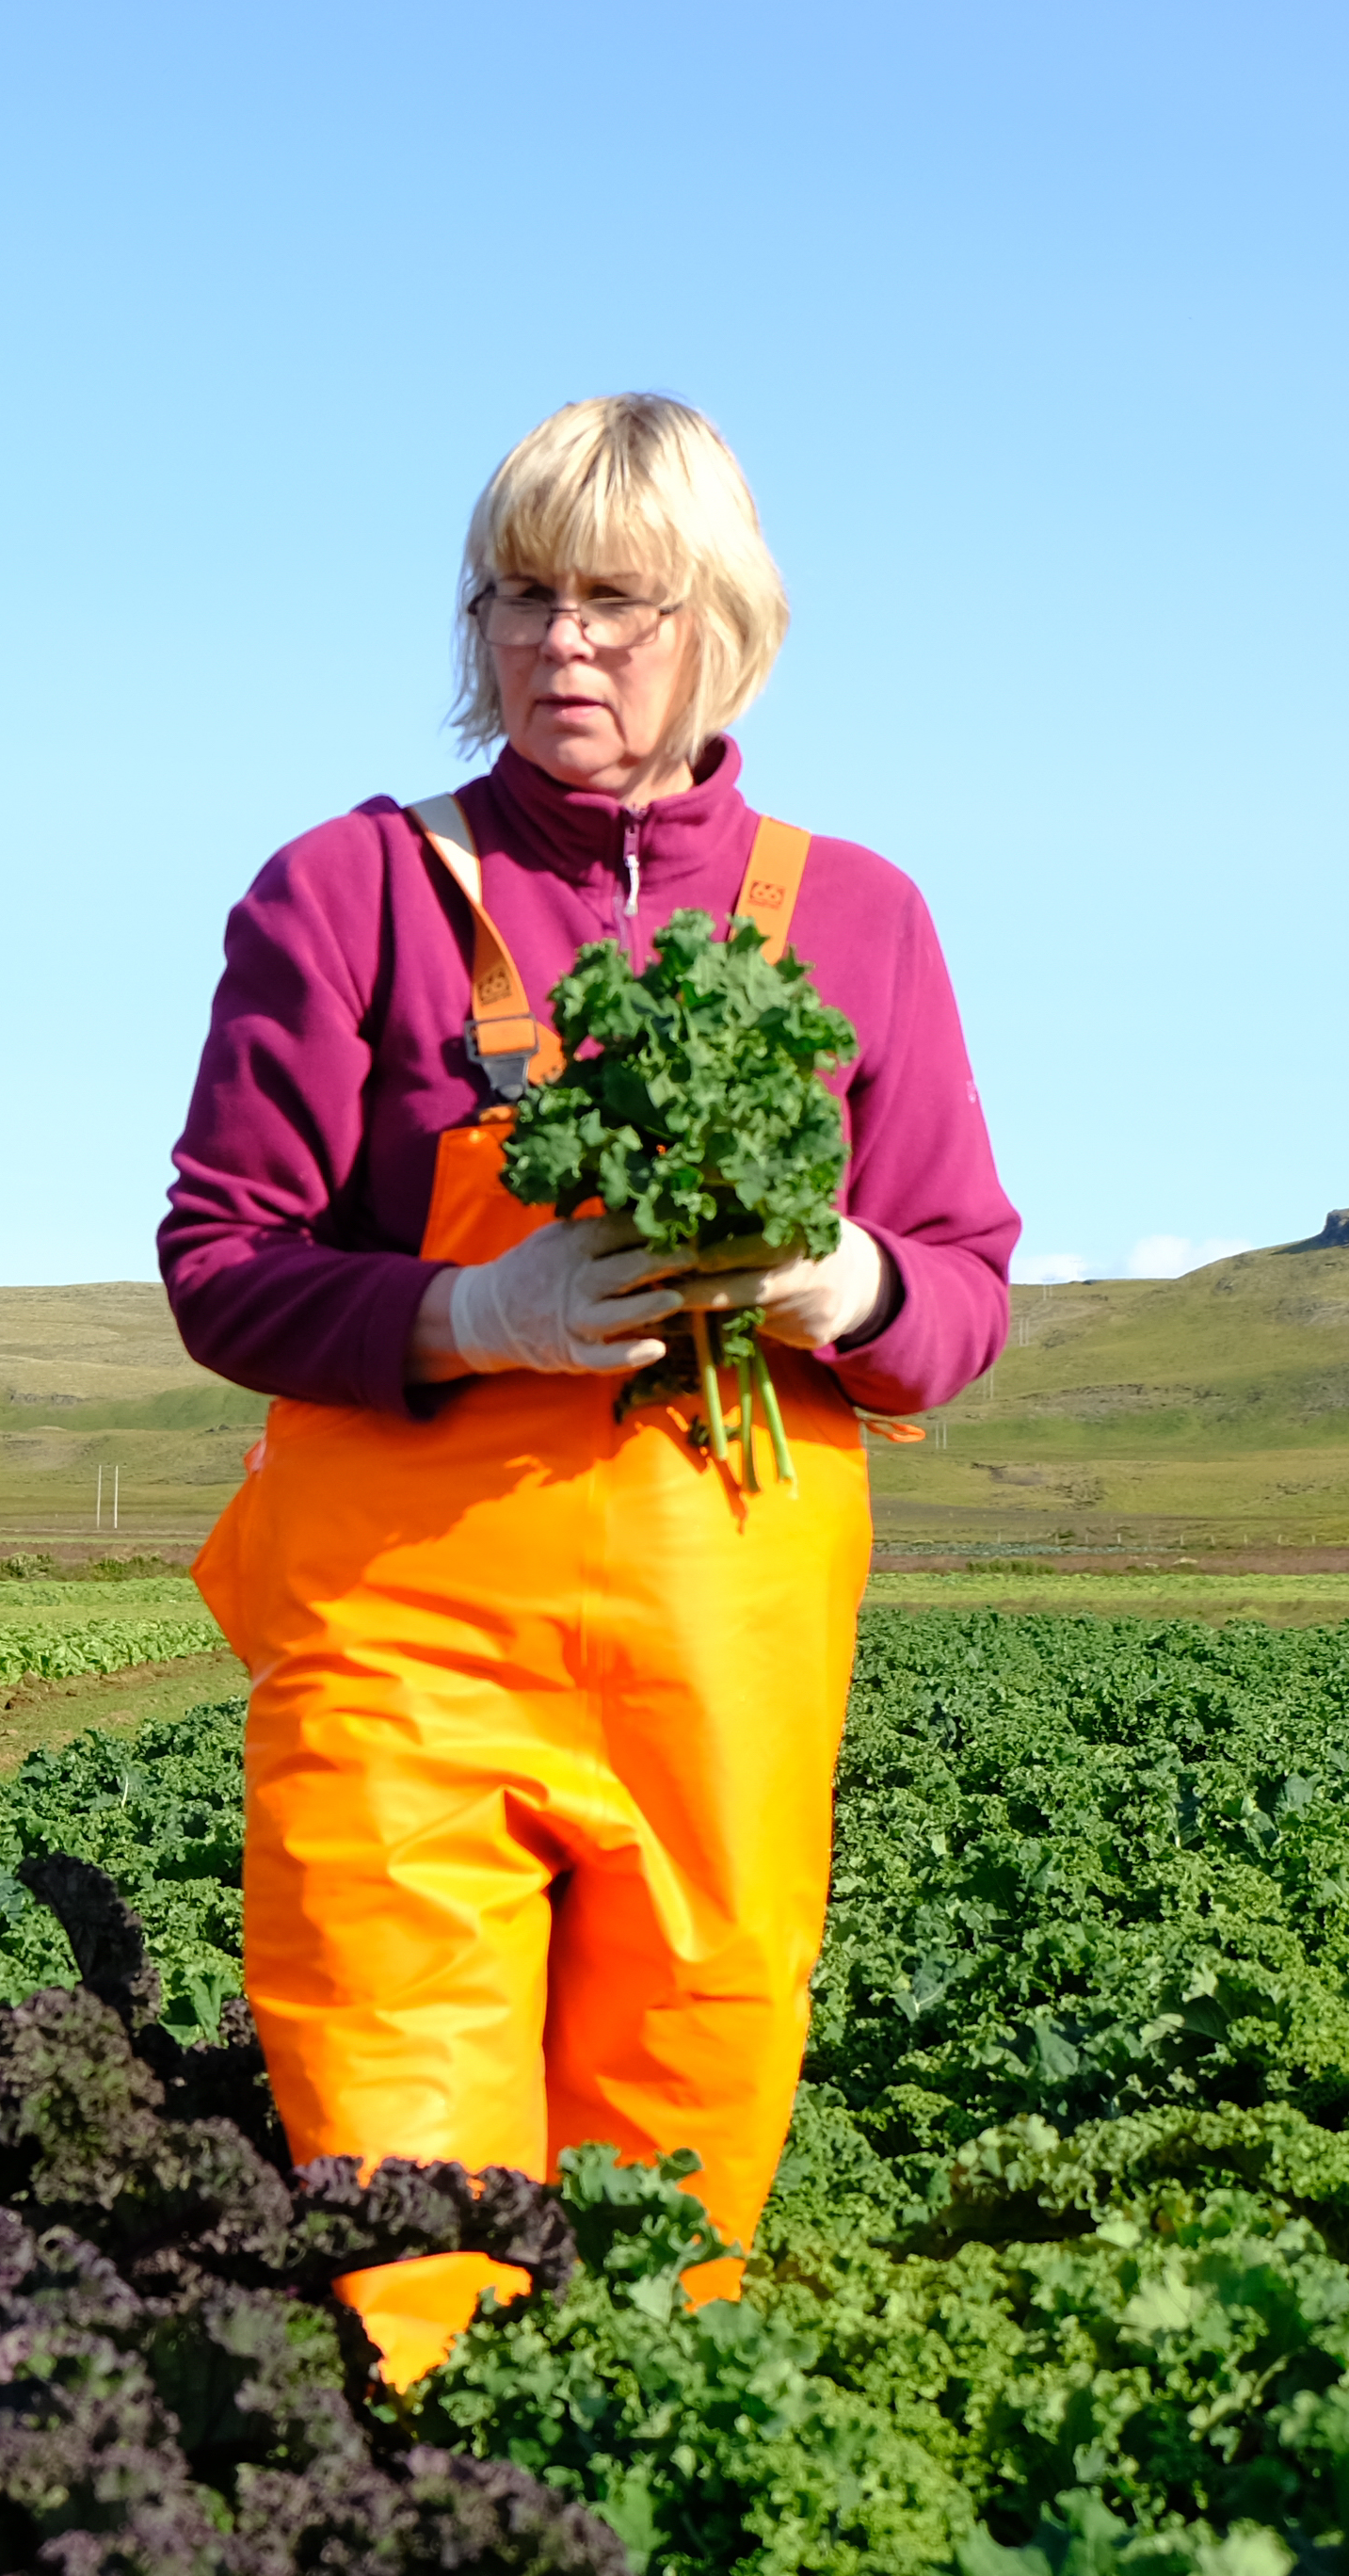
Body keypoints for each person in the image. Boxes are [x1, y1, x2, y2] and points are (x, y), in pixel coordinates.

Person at [163, 394, 1020, 2384]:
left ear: (727, 620)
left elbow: (965, 1286)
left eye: (617, 601)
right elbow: (222, 1260)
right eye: (520, 597)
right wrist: (479, 1314)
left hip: (718, 1662)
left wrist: (849, 1278)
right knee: (399, 2161)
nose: (562, 644)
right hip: (405, 1639)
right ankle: (412, 2505)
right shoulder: (349, 889)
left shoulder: (862, 915)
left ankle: (637, 2496)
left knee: (686, 2147)